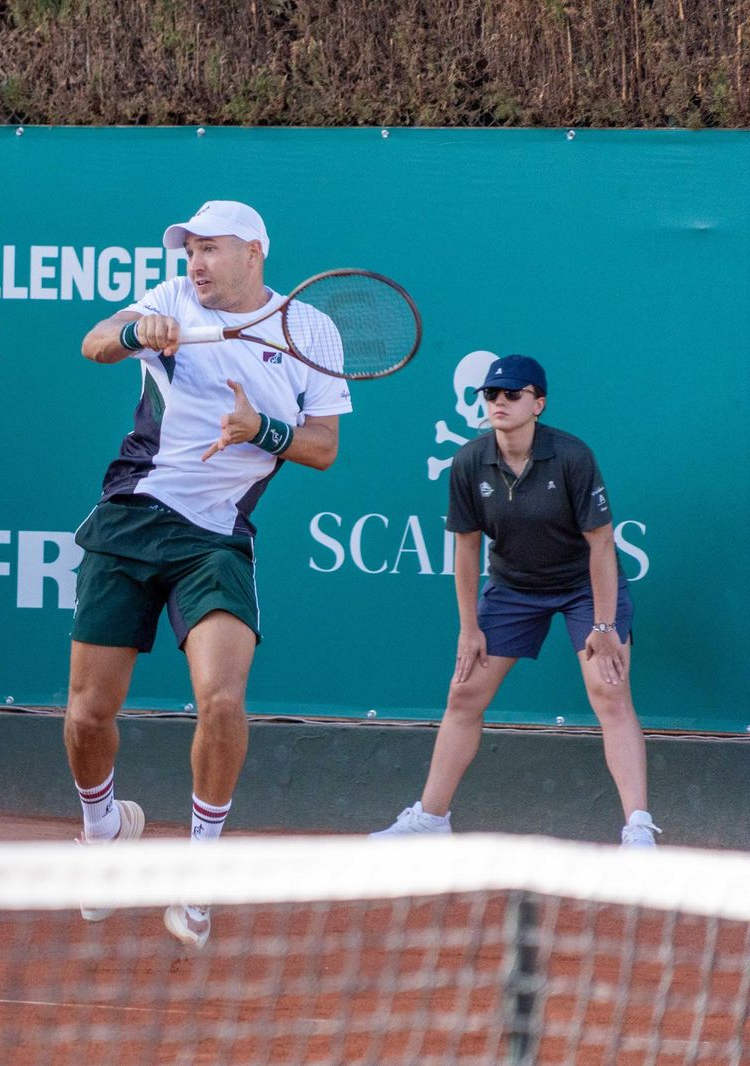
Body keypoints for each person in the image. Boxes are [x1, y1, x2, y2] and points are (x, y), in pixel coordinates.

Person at [66, 200, 352, 949]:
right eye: (188, 249)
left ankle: (199, 875)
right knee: (87, 716)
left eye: (209, 249)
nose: (194, 262)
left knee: (221, 701)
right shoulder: (171, 301)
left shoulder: (308, 330)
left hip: (216, 539)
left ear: (254, 251)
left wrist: (263, 431)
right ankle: (103, 829)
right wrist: (135, 331)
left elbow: (323, 447)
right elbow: (93, 343)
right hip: (131, 518)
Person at [371, 354, 658, 848]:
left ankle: (637, 829)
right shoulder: (468, 461)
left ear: (537, 403)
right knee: (463, 693)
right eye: (491, 395)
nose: (499, 402)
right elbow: (465, 549)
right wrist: (469, 627)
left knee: (609, 691)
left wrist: (605, 626)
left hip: (584, 587)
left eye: (512, 394)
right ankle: (431, 819)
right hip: (512, 588)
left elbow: (602, 543)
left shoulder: (572, 457)